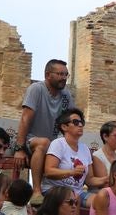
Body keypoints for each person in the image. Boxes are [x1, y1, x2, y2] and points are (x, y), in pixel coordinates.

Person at [14, 59, 74, 197]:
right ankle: (36, 191)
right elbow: (25, 118)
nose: (64, 78)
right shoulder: (36, 89)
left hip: (53, 145)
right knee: (44, 143)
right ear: (48, 75)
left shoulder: (66, 95)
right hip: (31, 141)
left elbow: (70, 120)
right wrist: (19, 149)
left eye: (66, 75)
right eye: (60, 74)